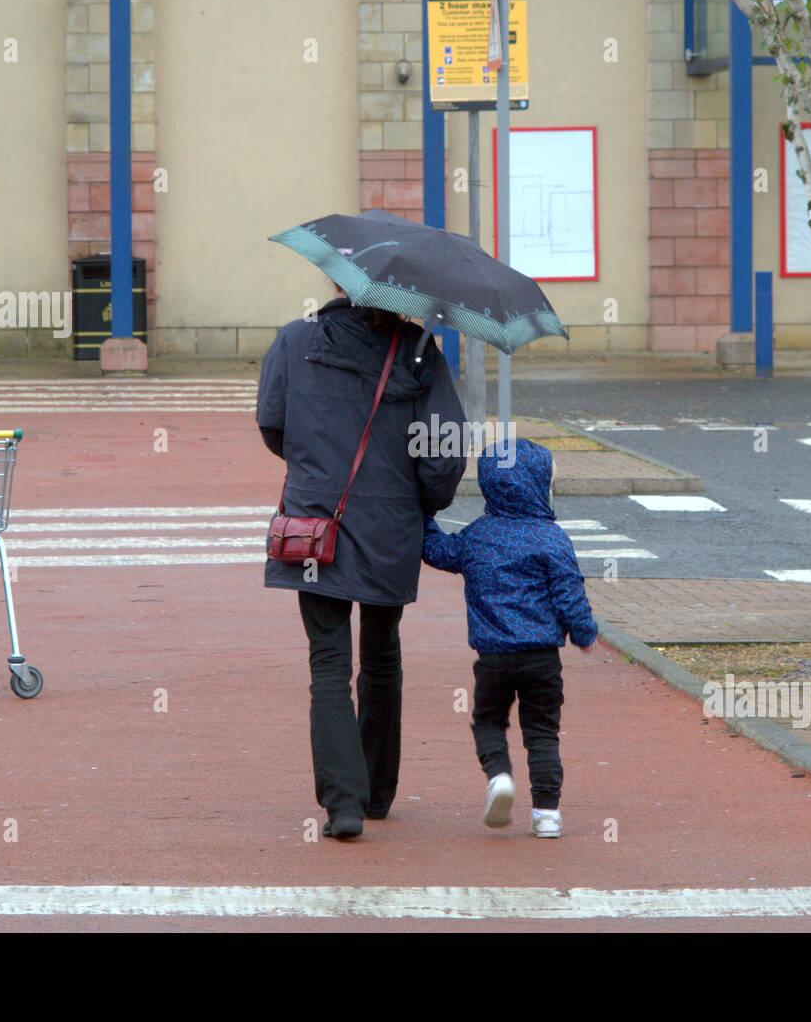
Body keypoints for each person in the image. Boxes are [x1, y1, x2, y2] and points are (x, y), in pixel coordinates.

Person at [256, 288, 467, 841]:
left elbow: (272, 425)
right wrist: (422, 502)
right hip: (390, 526)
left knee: (327, 661)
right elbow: (443, 454)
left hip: (315, 525)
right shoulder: (418, 352)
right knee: (380, 655)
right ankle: (376, 792)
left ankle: (342, 805)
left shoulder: (293, 340)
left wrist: (315, 470)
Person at [421, 437, 598, 838]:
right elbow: (570, 594)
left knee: (489, 721)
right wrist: (584, 634)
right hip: (542, 658)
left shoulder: (478, 536)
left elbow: (436, 551)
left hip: (493, 657)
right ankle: (547, 813)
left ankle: (499, 777)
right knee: (542, 732)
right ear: (539, 484)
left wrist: (423, 514)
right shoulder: (553, 538)